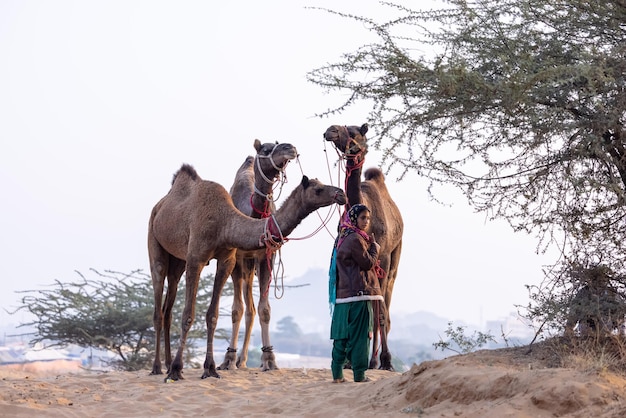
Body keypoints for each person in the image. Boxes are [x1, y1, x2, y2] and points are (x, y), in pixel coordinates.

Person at [328, 203, 383, 383]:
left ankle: (337, 375)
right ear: (354, 219)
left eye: (368, 218)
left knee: (341, 336)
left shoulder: (342, 237)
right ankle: (360, 375)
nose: (366, 221)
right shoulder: (355, 239)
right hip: (359, 295)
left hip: (343, 297)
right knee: (361, 337)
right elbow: (367, 263)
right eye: (362, 218)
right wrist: (375, 248)